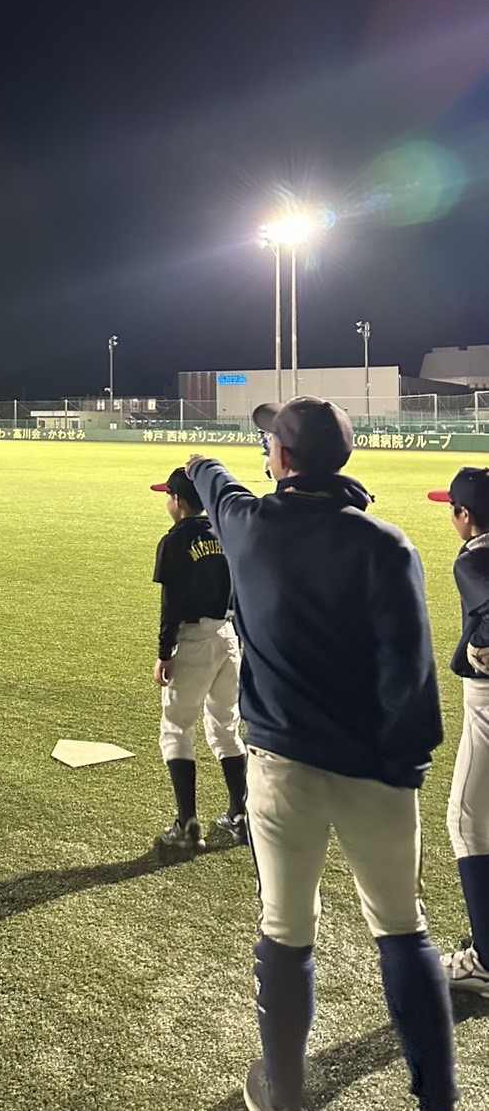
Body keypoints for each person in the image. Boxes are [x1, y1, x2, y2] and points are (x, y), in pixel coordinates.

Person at [186, 397, 456, 1111]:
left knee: (285, 931)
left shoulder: (249, 526)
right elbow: (411, 674)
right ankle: (437, 1098)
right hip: (378, 771)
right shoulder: (387, 545)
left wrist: (204, 461)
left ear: (282, 458)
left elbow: (212, 479)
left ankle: (283, 1090)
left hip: (281, 767)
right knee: (404, 932)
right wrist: (403, 767)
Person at [149, 467, 247, 854]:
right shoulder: (226, 533)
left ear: (178, 500)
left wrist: (165, 653)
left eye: (168, 495)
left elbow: (171, 603)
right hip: (228, 637)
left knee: (176, 728)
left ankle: (187, 825)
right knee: (226, 727)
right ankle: (240, 815)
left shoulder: (174, 541)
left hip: (192, 642)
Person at [427, 467, 489, 998]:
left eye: (452, 508)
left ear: (465, 515)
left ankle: (484, 963)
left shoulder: (473, 557)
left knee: (466, 821)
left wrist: (480, 643)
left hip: (488, 701)